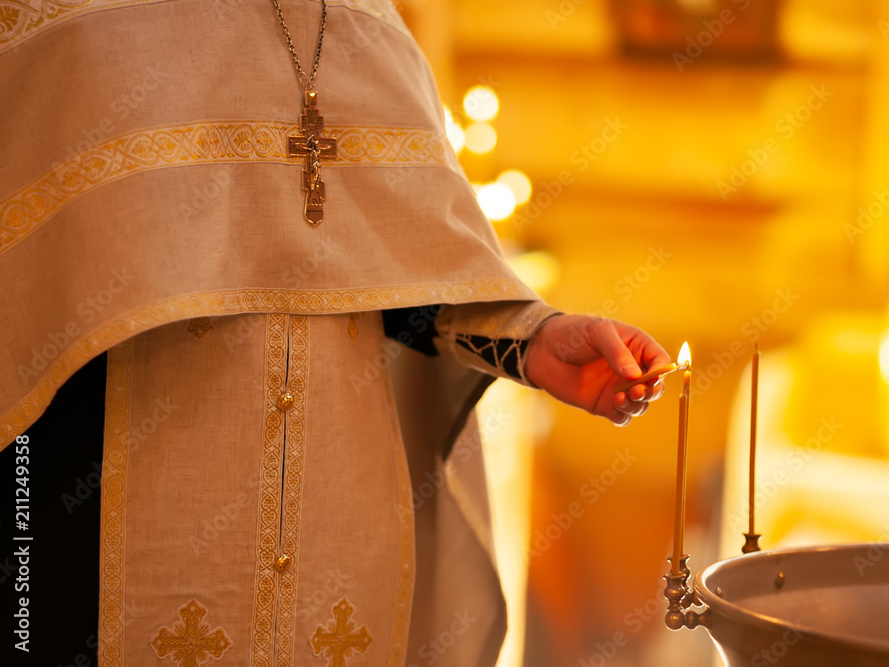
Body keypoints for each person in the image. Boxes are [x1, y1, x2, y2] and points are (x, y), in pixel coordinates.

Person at [0, 1, 669, 665]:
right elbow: (35, 291)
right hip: (90, 529)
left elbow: (412, 273)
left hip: (341, 536)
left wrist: (531, 339)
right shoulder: (63, 19)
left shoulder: (365, 25)